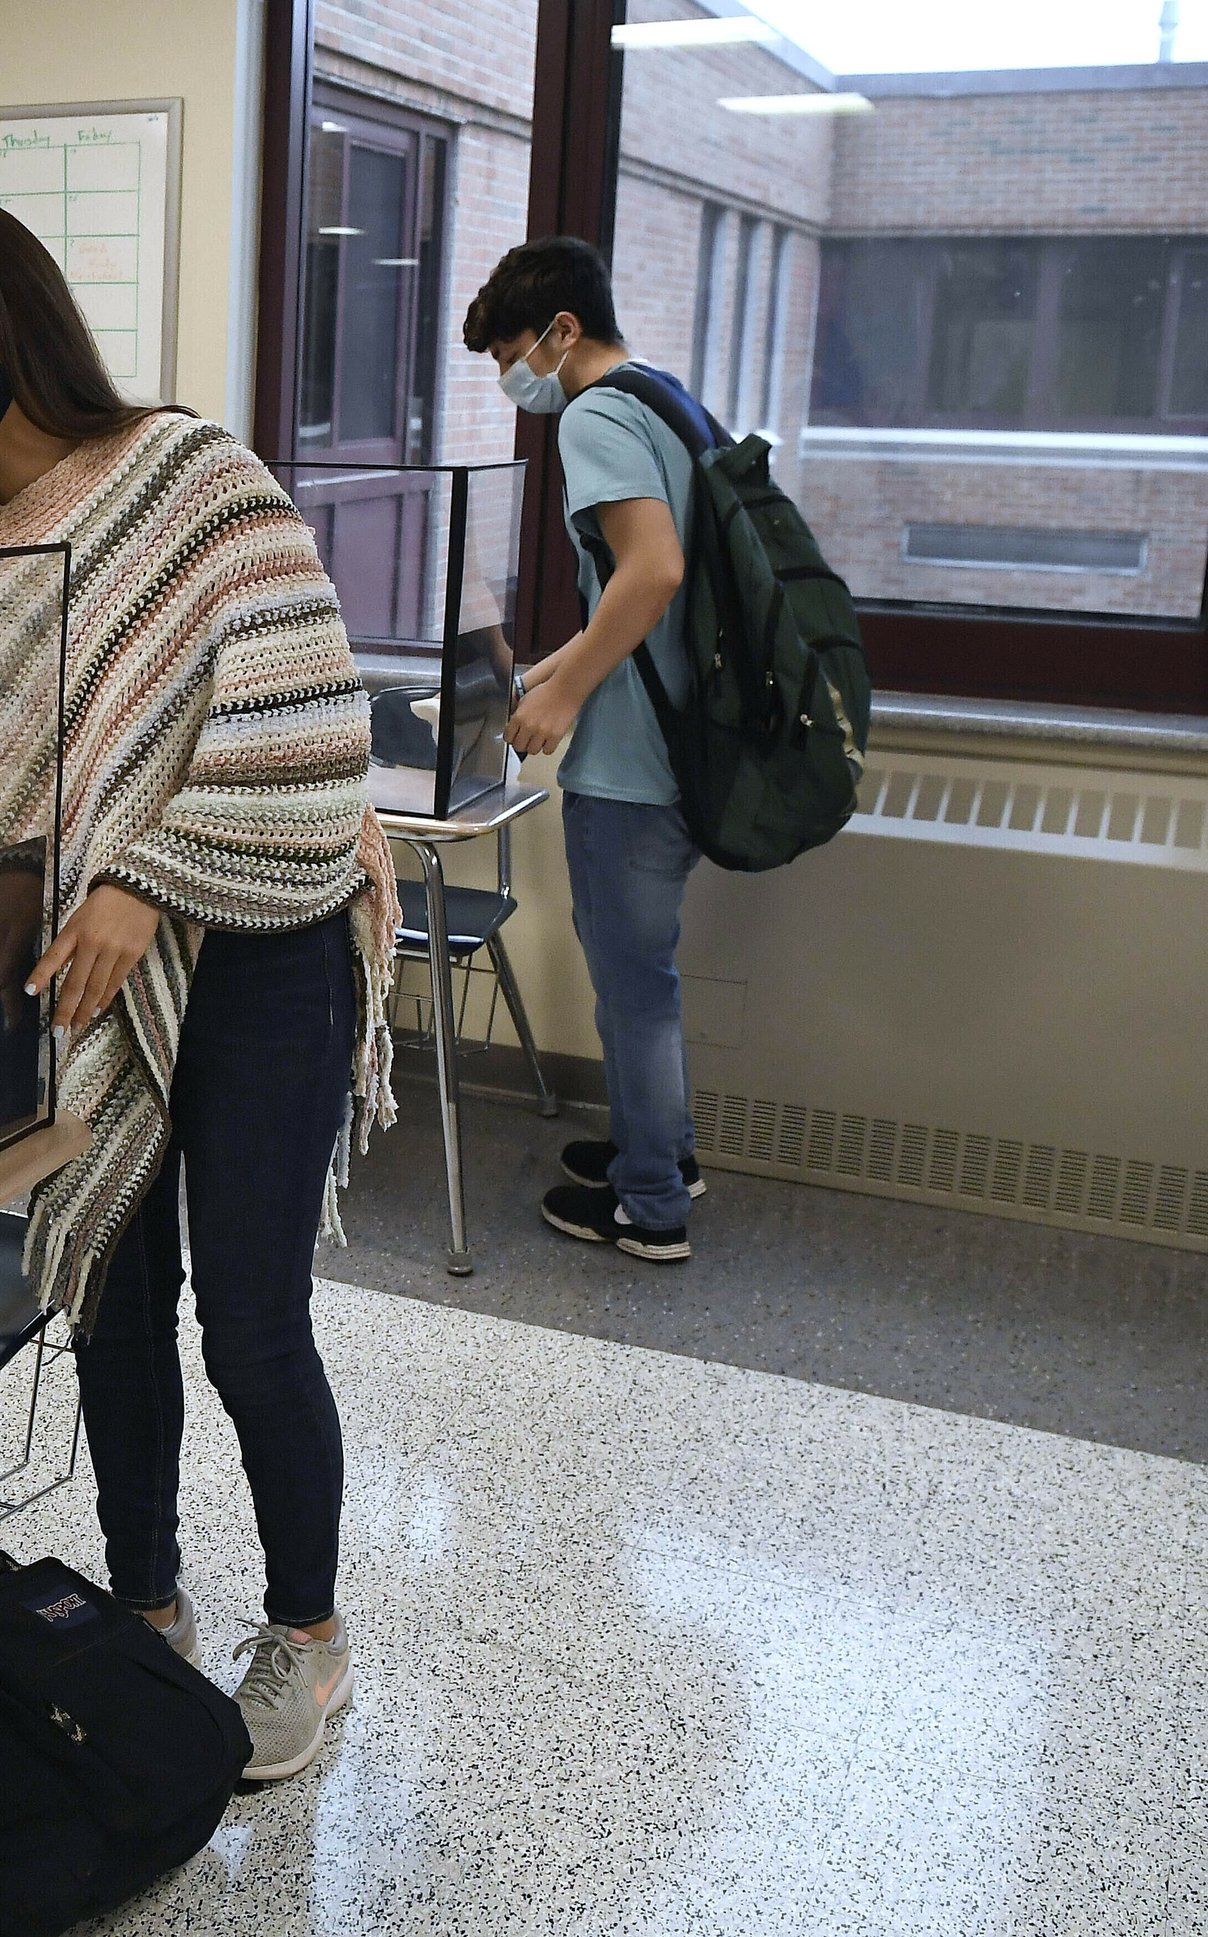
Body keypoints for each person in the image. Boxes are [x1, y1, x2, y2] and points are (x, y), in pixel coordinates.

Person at [0, 197, 398, 1783]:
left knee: (252, 1323)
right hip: (82, 978)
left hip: (260, 954)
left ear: (15, 320)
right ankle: (148, 1607)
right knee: (111, 1286)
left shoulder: (192, 478)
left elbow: (310, 736)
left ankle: (308, 1640)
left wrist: (142, 877)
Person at [463, 237, 705, 1263]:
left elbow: (651, 572)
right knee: (647, 980)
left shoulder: (599, 411)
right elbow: (629, 593)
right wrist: (545, 665)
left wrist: (562, 690)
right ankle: (666, 1154)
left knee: (633, 988)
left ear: (563, 331)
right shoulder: (664, 397)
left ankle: (652, 1208)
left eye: (514, 353)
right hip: (688, 742)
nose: (515, 382)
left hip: (634, 762)